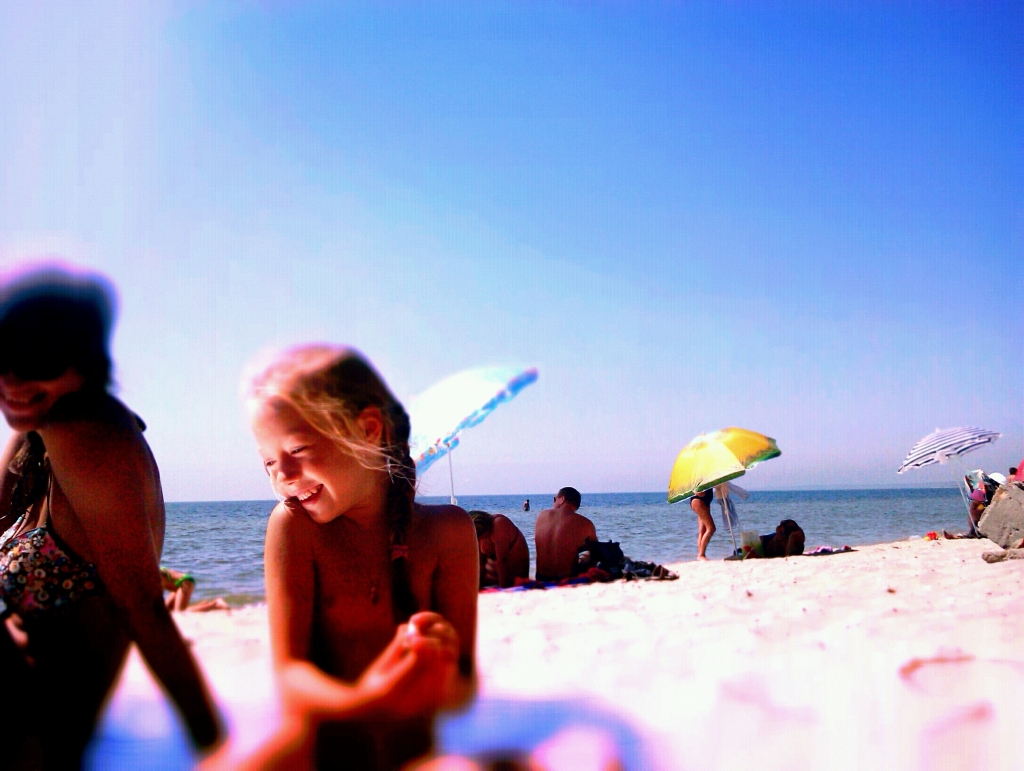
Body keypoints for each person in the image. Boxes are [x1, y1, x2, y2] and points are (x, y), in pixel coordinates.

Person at [0, 264, 219, 768]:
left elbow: (144, 609)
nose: (12, 379)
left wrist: (214, 746)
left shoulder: (88, 437)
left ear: (85, 362)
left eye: (38, 358)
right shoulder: (39, 423)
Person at [225, 345, 478, 771]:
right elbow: (289, 675)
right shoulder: (294, 527)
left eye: (297, 449)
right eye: (267, 461)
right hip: (320, 753)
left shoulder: (447, 532)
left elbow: (463, 691)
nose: (281, 476)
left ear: (367, 430)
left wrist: (441, 669)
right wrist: (363, 700)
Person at [534, 487, 597, 582]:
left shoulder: (541, 515)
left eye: (554, 499)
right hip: (566, 579)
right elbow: (596, 552)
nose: (553, 503)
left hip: (541, 578)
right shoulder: (585, 523)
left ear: (562, 499)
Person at [468, 511, 530, 589]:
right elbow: (479, 563)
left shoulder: (499, 524)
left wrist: (503, 591)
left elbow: (502, 562)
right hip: (492, 583)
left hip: (513, 581)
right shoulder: (482, 534)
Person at [159, 566, 229, 613]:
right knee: (166, 610)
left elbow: (158, 594)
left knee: (179, 612)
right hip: (178, 585)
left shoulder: (156, 574)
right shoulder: (156, 571)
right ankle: (204, 604)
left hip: (184, 581)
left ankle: (215, 604)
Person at [689, 488, 716, 560]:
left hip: (706, 502)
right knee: (711, 528)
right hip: (698, 501)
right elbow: (698, 492)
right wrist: (701, 492)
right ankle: (701, 555)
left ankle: (700, 555)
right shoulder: (697, 480)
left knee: (702, 530)